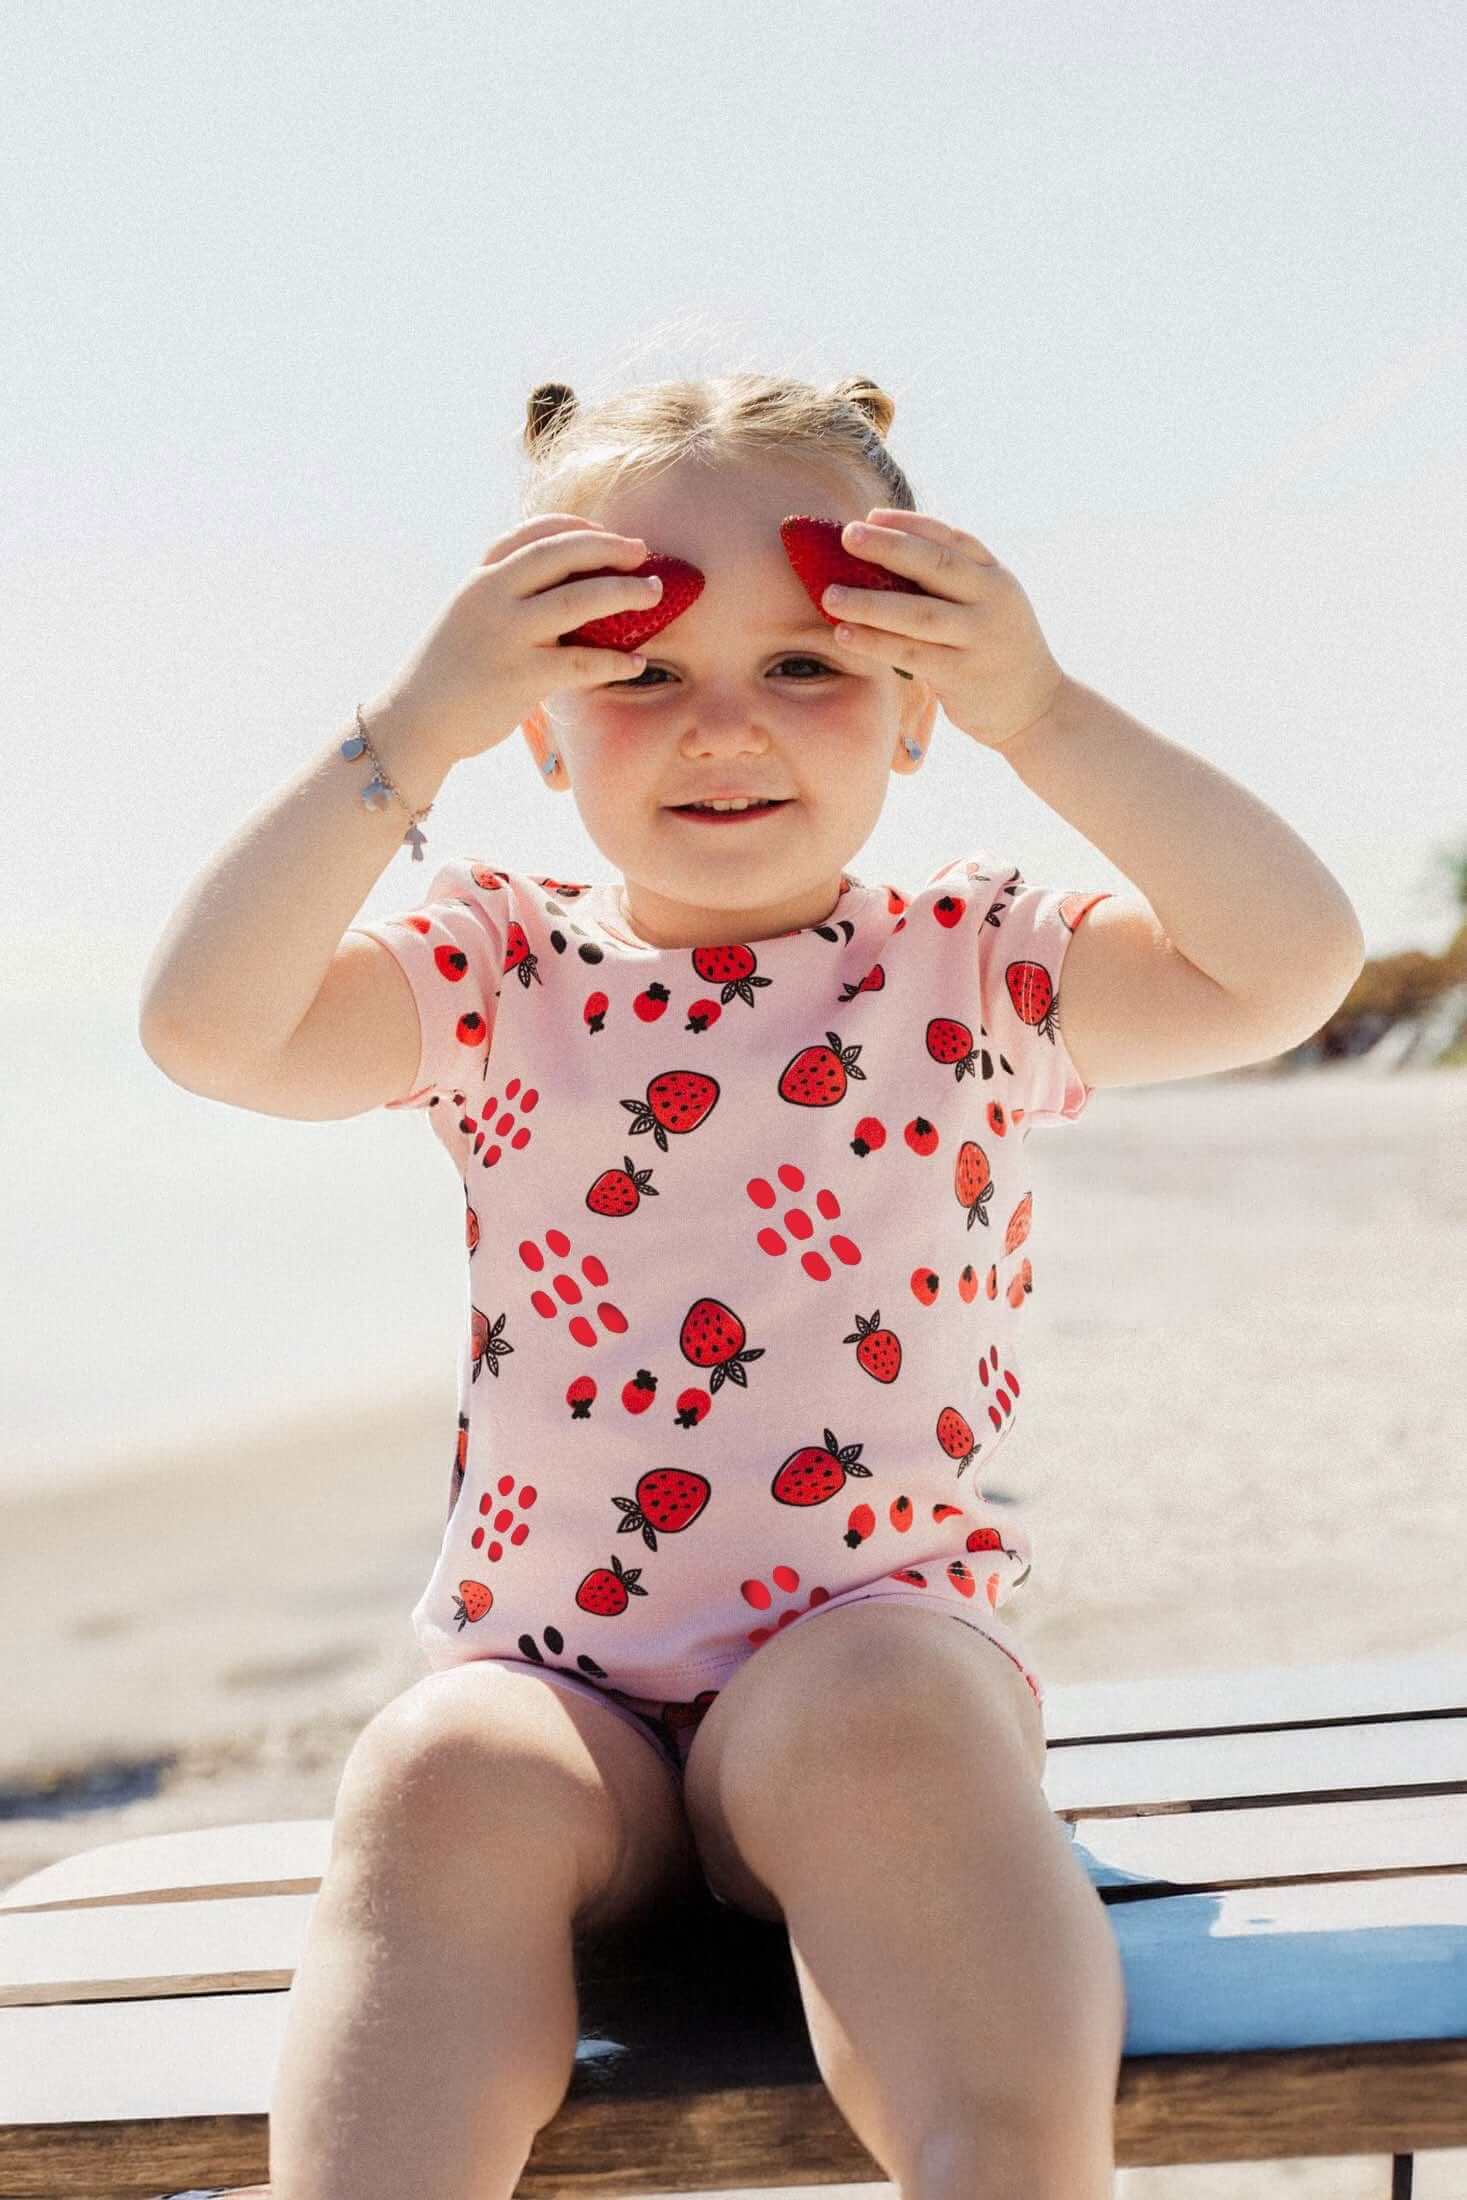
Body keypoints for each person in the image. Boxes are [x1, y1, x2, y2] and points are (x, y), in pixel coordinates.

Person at [140, 372, 1366, 2200]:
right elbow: (209, 1030)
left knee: (884, 1705)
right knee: (429, 1774)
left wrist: (1046, 709)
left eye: (807, 664)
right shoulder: (496, 968)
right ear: (539, 735)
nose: (723, 726)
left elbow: (1288, 966)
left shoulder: (966, 963)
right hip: (566, 1708)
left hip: (860, 1664)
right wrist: (412, 719)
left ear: (914, 707)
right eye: (637, 672)